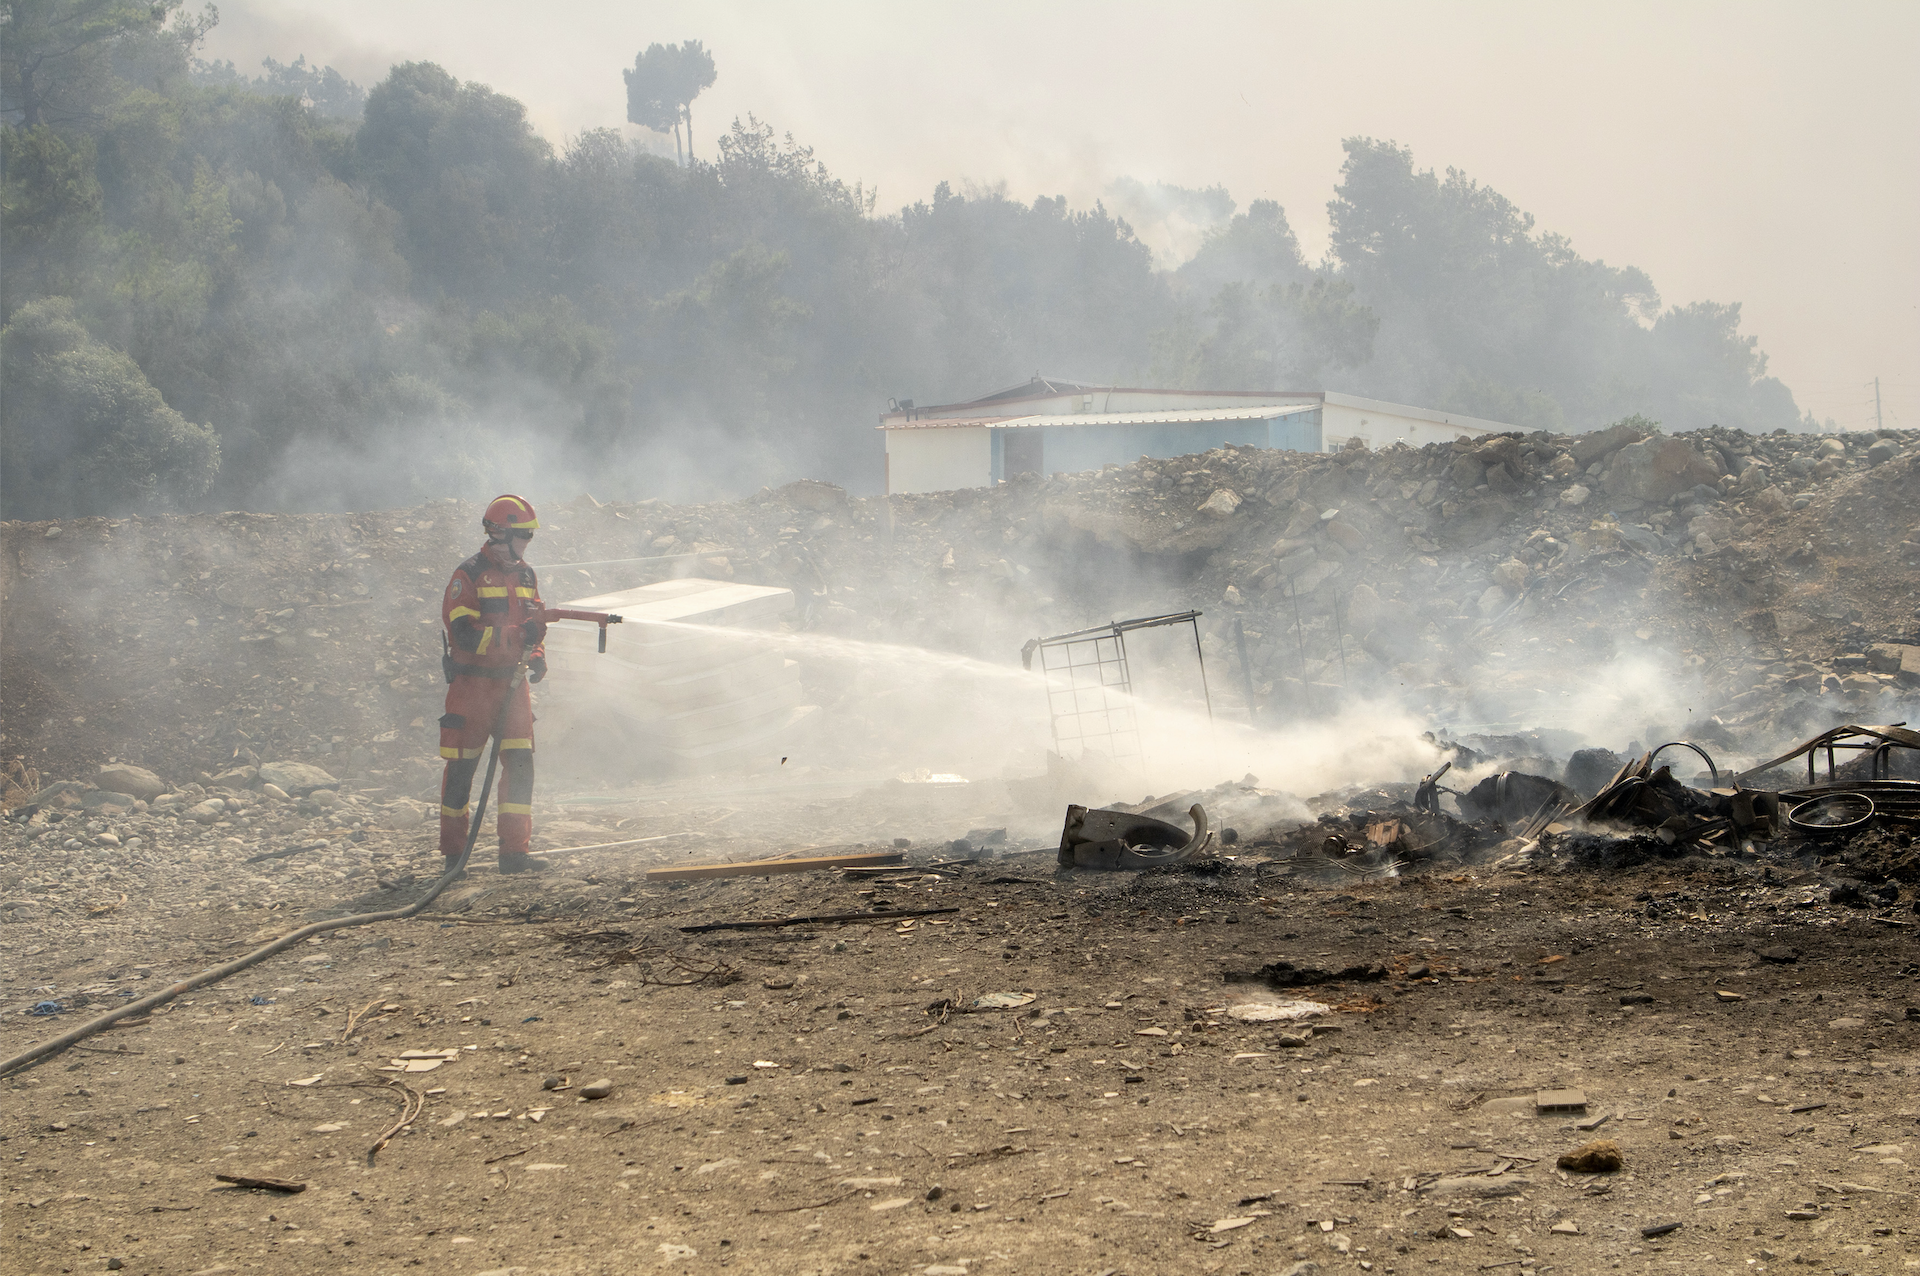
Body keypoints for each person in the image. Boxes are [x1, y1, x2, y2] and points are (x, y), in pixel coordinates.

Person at [438, 494, 550, 874]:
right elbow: (464, 636)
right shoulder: (468, 575)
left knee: (520, 767)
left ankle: (514, 855)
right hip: (473, 690)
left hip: (513, 687)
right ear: (502, 533)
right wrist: (520, 636)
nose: (528, 544)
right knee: (461, 772)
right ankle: (454, 857)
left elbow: (535, 623)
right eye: (525, 535)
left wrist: (536, 653)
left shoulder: (526, 575)